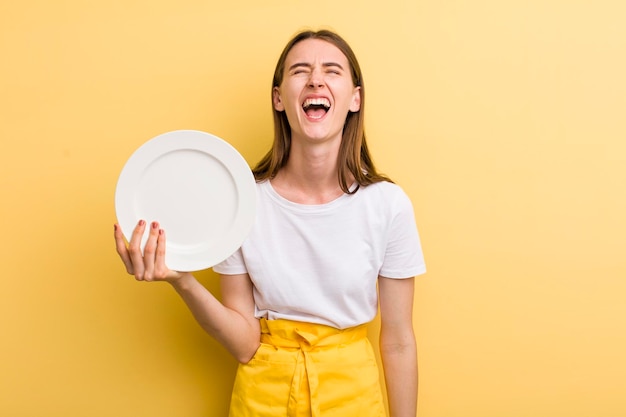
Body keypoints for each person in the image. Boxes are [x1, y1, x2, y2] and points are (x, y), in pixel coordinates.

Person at [114, 29, 426, 417]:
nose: (315, 79)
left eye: (332, 70)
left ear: (355, 99)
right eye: (300, 70)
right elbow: (245, 343)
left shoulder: (388, 205)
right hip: (263, 398)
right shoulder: (242, 202)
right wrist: (183, 280)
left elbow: (397, 342)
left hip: (354, 398)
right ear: (279, 98)